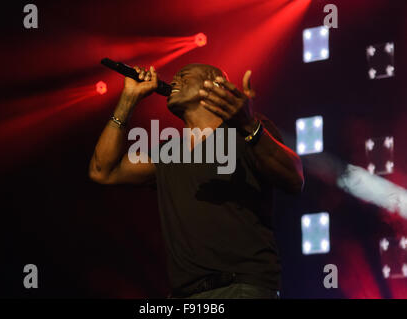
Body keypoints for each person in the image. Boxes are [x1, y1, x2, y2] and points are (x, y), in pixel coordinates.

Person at [89, 63, 304, 299]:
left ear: (214, 84)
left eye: (184, 75)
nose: (173, 82)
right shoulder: (168, 151)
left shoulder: (243, 131)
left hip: (240, 289)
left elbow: (294, 179)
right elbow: (103, 171)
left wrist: (248, 125)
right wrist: (128, 100)